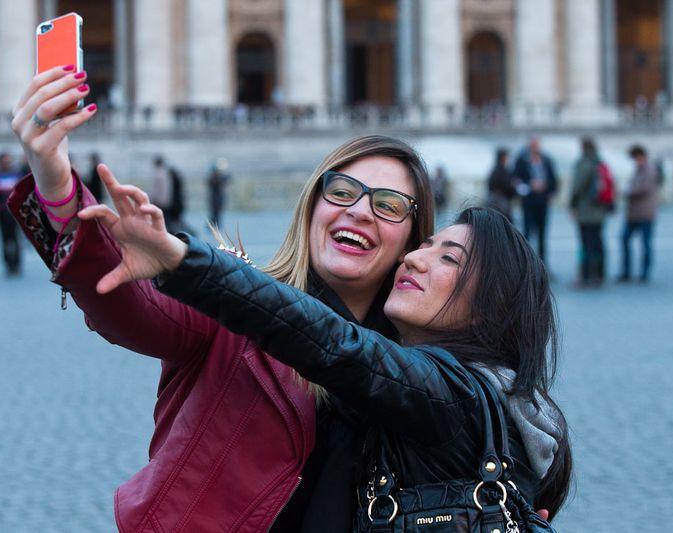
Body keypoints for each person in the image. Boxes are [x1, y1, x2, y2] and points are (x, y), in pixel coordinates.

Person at [9, 64, 434, 532]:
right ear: (313, 204)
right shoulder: (231, 298)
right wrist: (56, 187)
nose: (359, 211)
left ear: (414, 240)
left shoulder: (421, 365)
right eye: (342, 191)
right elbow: (135, 307)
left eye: (389, 205)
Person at [76, 174, 574, 526]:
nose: (415, 259)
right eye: (424, 246)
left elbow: (334, 345)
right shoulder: (505, 404)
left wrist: (185, 262)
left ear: (492, 305)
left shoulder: (450, 393)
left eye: (449, 257)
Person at [569, 137, 610, 287]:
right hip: (600, 211)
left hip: (586, 211)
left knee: (585, 244)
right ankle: (599, 274)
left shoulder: (584, 164)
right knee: (598, 242)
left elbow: (577, 187)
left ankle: (585, 276)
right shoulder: (600, 162)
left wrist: (572, 205)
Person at [513, 137, 559, 267]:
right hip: (528, 201)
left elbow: (553, 180)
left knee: (542, 234)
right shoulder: (522, 161)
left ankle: (543, 265)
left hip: (543, 201)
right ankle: (526, 264)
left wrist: (547, 187)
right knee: (527, 233)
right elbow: (515, 179)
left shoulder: (547, 160)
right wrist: (530, 184)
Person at [618, 145, 660, 283]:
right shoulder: (639, 170)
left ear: (641, 156)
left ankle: (644, 272)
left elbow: (643, 188)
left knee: (645, 243)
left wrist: (626, 191)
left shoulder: (650, 170)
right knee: (624, 239)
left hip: (645, 213)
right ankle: (627, 271)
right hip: (634, 214)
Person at [0, 152, 24, 276]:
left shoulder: (17, 176)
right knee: (4, 240)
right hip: (2, 214)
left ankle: (17, 264)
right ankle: (8, 265)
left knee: (15, 239)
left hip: (14, 213)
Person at [486, 147, 518, 223]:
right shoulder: (502, 171)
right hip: (501, 204)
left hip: (496, 204)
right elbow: (507, 186)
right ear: (503, 158)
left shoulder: (495, 170)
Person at [207, 157, 230, 227]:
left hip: (219, 199)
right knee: (214, 215)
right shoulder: (214, 178)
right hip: (215, 200)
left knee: (218, 216)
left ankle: (215, 227)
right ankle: (213, 227)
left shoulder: (221, 177)